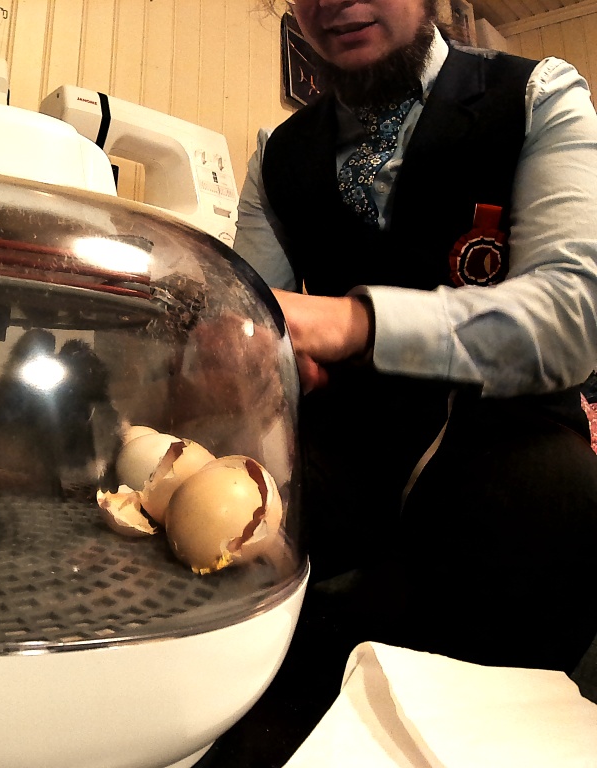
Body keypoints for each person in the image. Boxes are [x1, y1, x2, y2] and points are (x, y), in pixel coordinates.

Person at [199, 1, 597, 764]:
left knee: (555, 497)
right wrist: (239, 358)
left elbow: (573, 318)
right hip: (345, 457)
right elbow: (249, 314)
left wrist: (353, 323)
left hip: (508, 460)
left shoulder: (538, 95)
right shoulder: (279, 156)